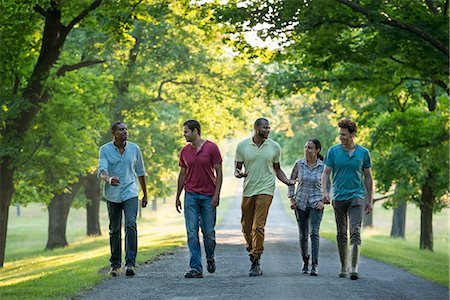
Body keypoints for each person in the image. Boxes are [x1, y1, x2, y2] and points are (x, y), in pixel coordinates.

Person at [235, 117, 295, 277]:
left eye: (269, 128)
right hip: (248, 190)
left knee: (258, 226)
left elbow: (277, 169)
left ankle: (256, 259)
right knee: (246, 228)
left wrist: (288, 181)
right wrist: (239, 174)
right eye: (265, 128)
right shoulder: (242, 146)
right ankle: (252, 250)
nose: (268, 130)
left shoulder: (274, 147)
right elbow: (237, 169)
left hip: (266, 189)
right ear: (256, 128)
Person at [321, 119, 373, 280]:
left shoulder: (363, 153)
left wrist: (369, 199)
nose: (340, 137)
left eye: (343, 134)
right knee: (341, 233)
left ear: (352, 134)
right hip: (338, 197)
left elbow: (368, 177)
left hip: (357, 196)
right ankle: (343, 266)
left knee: (355, 231)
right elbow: (325, 173)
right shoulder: (333, 151)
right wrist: (325, 192)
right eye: (340, 134)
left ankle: (354, 267)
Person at [98, 122, 148, 277]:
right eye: (121, 129)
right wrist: (108, 178)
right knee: (114, 229)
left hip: (131, 192)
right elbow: (101, 170)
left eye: (126, 129)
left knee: (131, 224)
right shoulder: (105, 149)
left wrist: (145, 194)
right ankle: (115, 265)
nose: (125, 131)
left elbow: (140, 172)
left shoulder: (134, 149)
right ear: (114, 132)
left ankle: (130, 264)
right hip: (113, 194)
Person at [176, 120, 223, 279]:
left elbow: (219, 172)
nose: (184, 134)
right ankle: (196, 267)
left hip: (209, 196)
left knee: (208, 233)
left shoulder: (212, 148)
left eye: (186, 132)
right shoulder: (184, 151)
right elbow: (182, 175)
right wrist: (177, 196)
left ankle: (210, 257)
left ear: (196, 131)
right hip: (191, 196)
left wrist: (217, 194)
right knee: (191, 233)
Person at [288, 139, 325, 276]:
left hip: (316, 203)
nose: (307, 150)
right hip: (300, 203)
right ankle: (305, 261)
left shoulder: (323, 166)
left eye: (310, 148)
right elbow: (291, 182)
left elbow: (329, 186)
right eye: (306, 147)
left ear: (317, 150)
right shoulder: (299, 164)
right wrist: (292, 199)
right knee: (303, 234)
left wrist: (323, 201)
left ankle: (315, 264)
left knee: (314, 233)